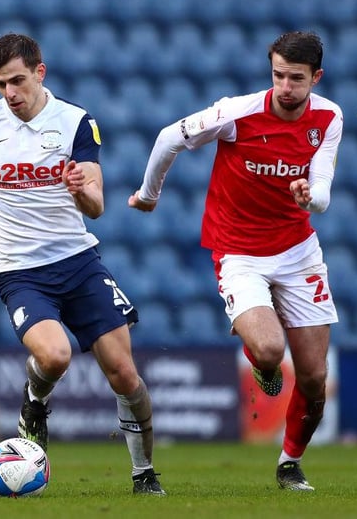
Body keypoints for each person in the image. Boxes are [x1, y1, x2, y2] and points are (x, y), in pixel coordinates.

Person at [0, 33, 165, 496]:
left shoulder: (75, 123)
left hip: (79, 263)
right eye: (0, 84)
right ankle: (35, 400)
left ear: (40, 72)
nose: (9, 93)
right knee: (54, 354)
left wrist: (79, 189)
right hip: (20, 271)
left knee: (125, 375)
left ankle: (144, 474)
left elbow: (97, 207)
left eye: (17, 81)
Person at [129, 31, 341, 492]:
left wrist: (312, 197)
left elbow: (322, 186)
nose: (285, 86)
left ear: (316, 77)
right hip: (239, 251)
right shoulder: (238, 112)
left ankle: (289, 464)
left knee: (314, 377)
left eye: (296, 79)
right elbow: (170, 137)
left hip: (298, 250)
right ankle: (263, 367)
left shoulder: (328, 117)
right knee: (269, 351)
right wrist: (149, 195)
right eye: (278, 75)